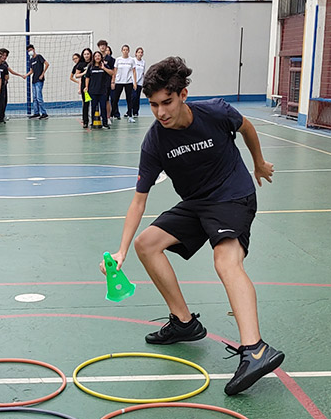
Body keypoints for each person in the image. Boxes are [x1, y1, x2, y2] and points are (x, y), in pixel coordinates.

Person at [105, 57, 282, 396]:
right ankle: (184, 323)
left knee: (225, 260)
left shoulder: (215, 113)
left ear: (183, 94)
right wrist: (122, 250)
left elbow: (246, 127)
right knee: (146, 244)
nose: (160, 112)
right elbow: (138, 200)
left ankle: (255, 348)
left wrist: (258, 162)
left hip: (233, 196)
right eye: (153, 105)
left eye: (167, 102)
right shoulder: (155, 141)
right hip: (197, 203)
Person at [85, 50, 113, 129]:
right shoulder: (90, 67)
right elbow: (87, 77)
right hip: (93, 90)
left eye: (99, 56)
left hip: (102, 90)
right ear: (94, 57)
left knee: (103, 107)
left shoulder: (104, 66)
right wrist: (86, 87)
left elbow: (112, 73)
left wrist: (104, 68)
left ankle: (105, 123)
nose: (97, 57)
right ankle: (93, 122)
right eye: (96, 56)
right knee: (93, 106)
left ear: (101, 57)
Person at [113, 45, 138, 122]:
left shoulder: (131, 60)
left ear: (129, 51)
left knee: (129, 99)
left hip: (128, 82)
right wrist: (113, 81)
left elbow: (134, 71)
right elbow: (115, 71)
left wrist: (135, 82)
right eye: (124, 50)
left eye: (126, 50)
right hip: (119, 81)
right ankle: (112, 115)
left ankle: (130, 116)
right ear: (122, 51)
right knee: (115, 99)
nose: (125, 51)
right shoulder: (118, 60)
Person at [26, 43, 49, 119]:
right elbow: (31, 70)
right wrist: (26, 75)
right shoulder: (31, 60)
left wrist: (42, 74)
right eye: (28, 51)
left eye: (30, 50)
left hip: (39, 80)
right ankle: (36, 113)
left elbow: (47, 64)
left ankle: (44, 113)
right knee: (35, 98)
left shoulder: (39, 57)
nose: (30, 51)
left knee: (39, 97)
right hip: (34, 80)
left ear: (34, 49)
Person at [71, 49, 91, 128]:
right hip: (85, 87)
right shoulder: (80, 64)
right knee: (86, 103)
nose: (86, 55)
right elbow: (76, 75)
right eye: (85, 54)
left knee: (94, 103)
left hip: (93, 86)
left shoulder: (93, 63)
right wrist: (84, 73)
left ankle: (95, 119)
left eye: (88, 54)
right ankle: (85, 121)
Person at [130, 47, 146, 120]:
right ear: (136, 53)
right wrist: (134, 81)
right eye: (138, 52)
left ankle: (136, 112)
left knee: (137, 98)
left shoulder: (143, 62)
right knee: (133, 96)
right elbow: (132, 71)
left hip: (140, 82)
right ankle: (129, 111)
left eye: (141, 52)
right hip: (133, 82)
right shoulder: (133, 60)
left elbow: (143, 73)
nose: (140, 53)